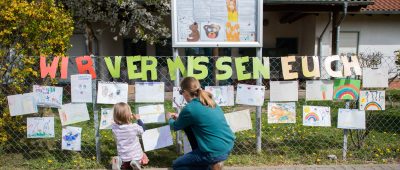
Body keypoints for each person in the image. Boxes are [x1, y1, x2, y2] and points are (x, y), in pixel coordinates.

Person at [167, 77, 235, 170]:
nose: (182, 94)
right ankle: (211, 164)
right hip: (227, 145)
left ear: (186, 92)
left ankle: (210, 165)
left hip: (212, 152)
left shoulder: (190, 108)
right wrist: (180, 118)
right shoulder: (209, 101)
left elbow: (174, 126)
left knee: (177, 165)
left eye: (181, 92)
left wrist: (169, 118)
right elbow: (199, 117)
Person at [112, 102, 149, 170]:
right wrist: (138, 119)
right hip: (135, 154)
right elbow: (143, 129)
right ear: (129, 115)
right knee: (143, 156)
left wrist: (120, 117)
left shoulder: (114, 127)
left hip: (123, 155)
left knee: (125, 163)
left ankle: (119, 163)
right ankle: (136, 163)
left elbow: (117, 121)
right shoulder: (134, 127)